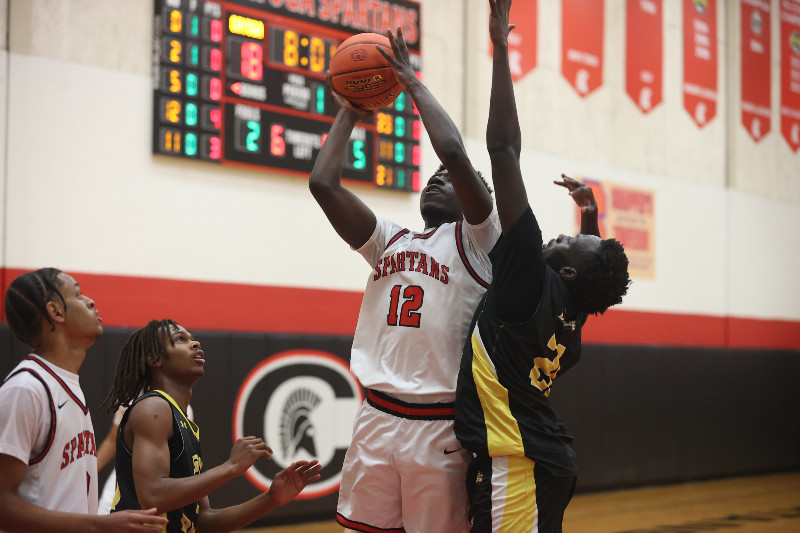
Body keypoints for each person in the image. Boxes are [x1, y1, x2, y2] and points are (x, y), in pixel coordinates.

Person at [309, 28, 502, 533]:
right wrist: (349, 110)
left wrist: (410, 81)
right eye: (432, 175)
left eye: (452, 178)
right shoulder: (388, 240)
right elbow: (323, 183)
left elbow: (454, 153)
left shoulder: (482, 242)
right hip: (376, 415)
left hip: (439, 425)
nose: (439, 175)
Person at [454, 1, 632, 532]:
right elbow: (591, 278)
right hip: (541, 460)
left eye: (574, 240)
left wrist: (500, 46)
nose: (564, 235)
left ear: (568, 272)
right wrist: (591, 217)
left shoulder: (531, 279)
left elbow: (503, 148)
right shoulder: (569, 317)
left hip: (521, 463)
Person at [101, 319, 321, 532]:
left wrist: (271, 499)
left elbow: (203, 522)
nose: (195, 343)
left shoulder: (183, 420)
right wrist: (231, 467)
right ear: (155, 359)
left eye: (192, 338)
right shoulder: (153, 408)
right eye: (180, 339)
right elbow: (153, 496)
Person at [0, 268, 169, 532]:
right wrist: (100, 525)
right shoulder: (26, 389)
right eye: (78, 295)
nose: (90, 301)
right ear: (56, 312)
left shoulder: (66, 385)